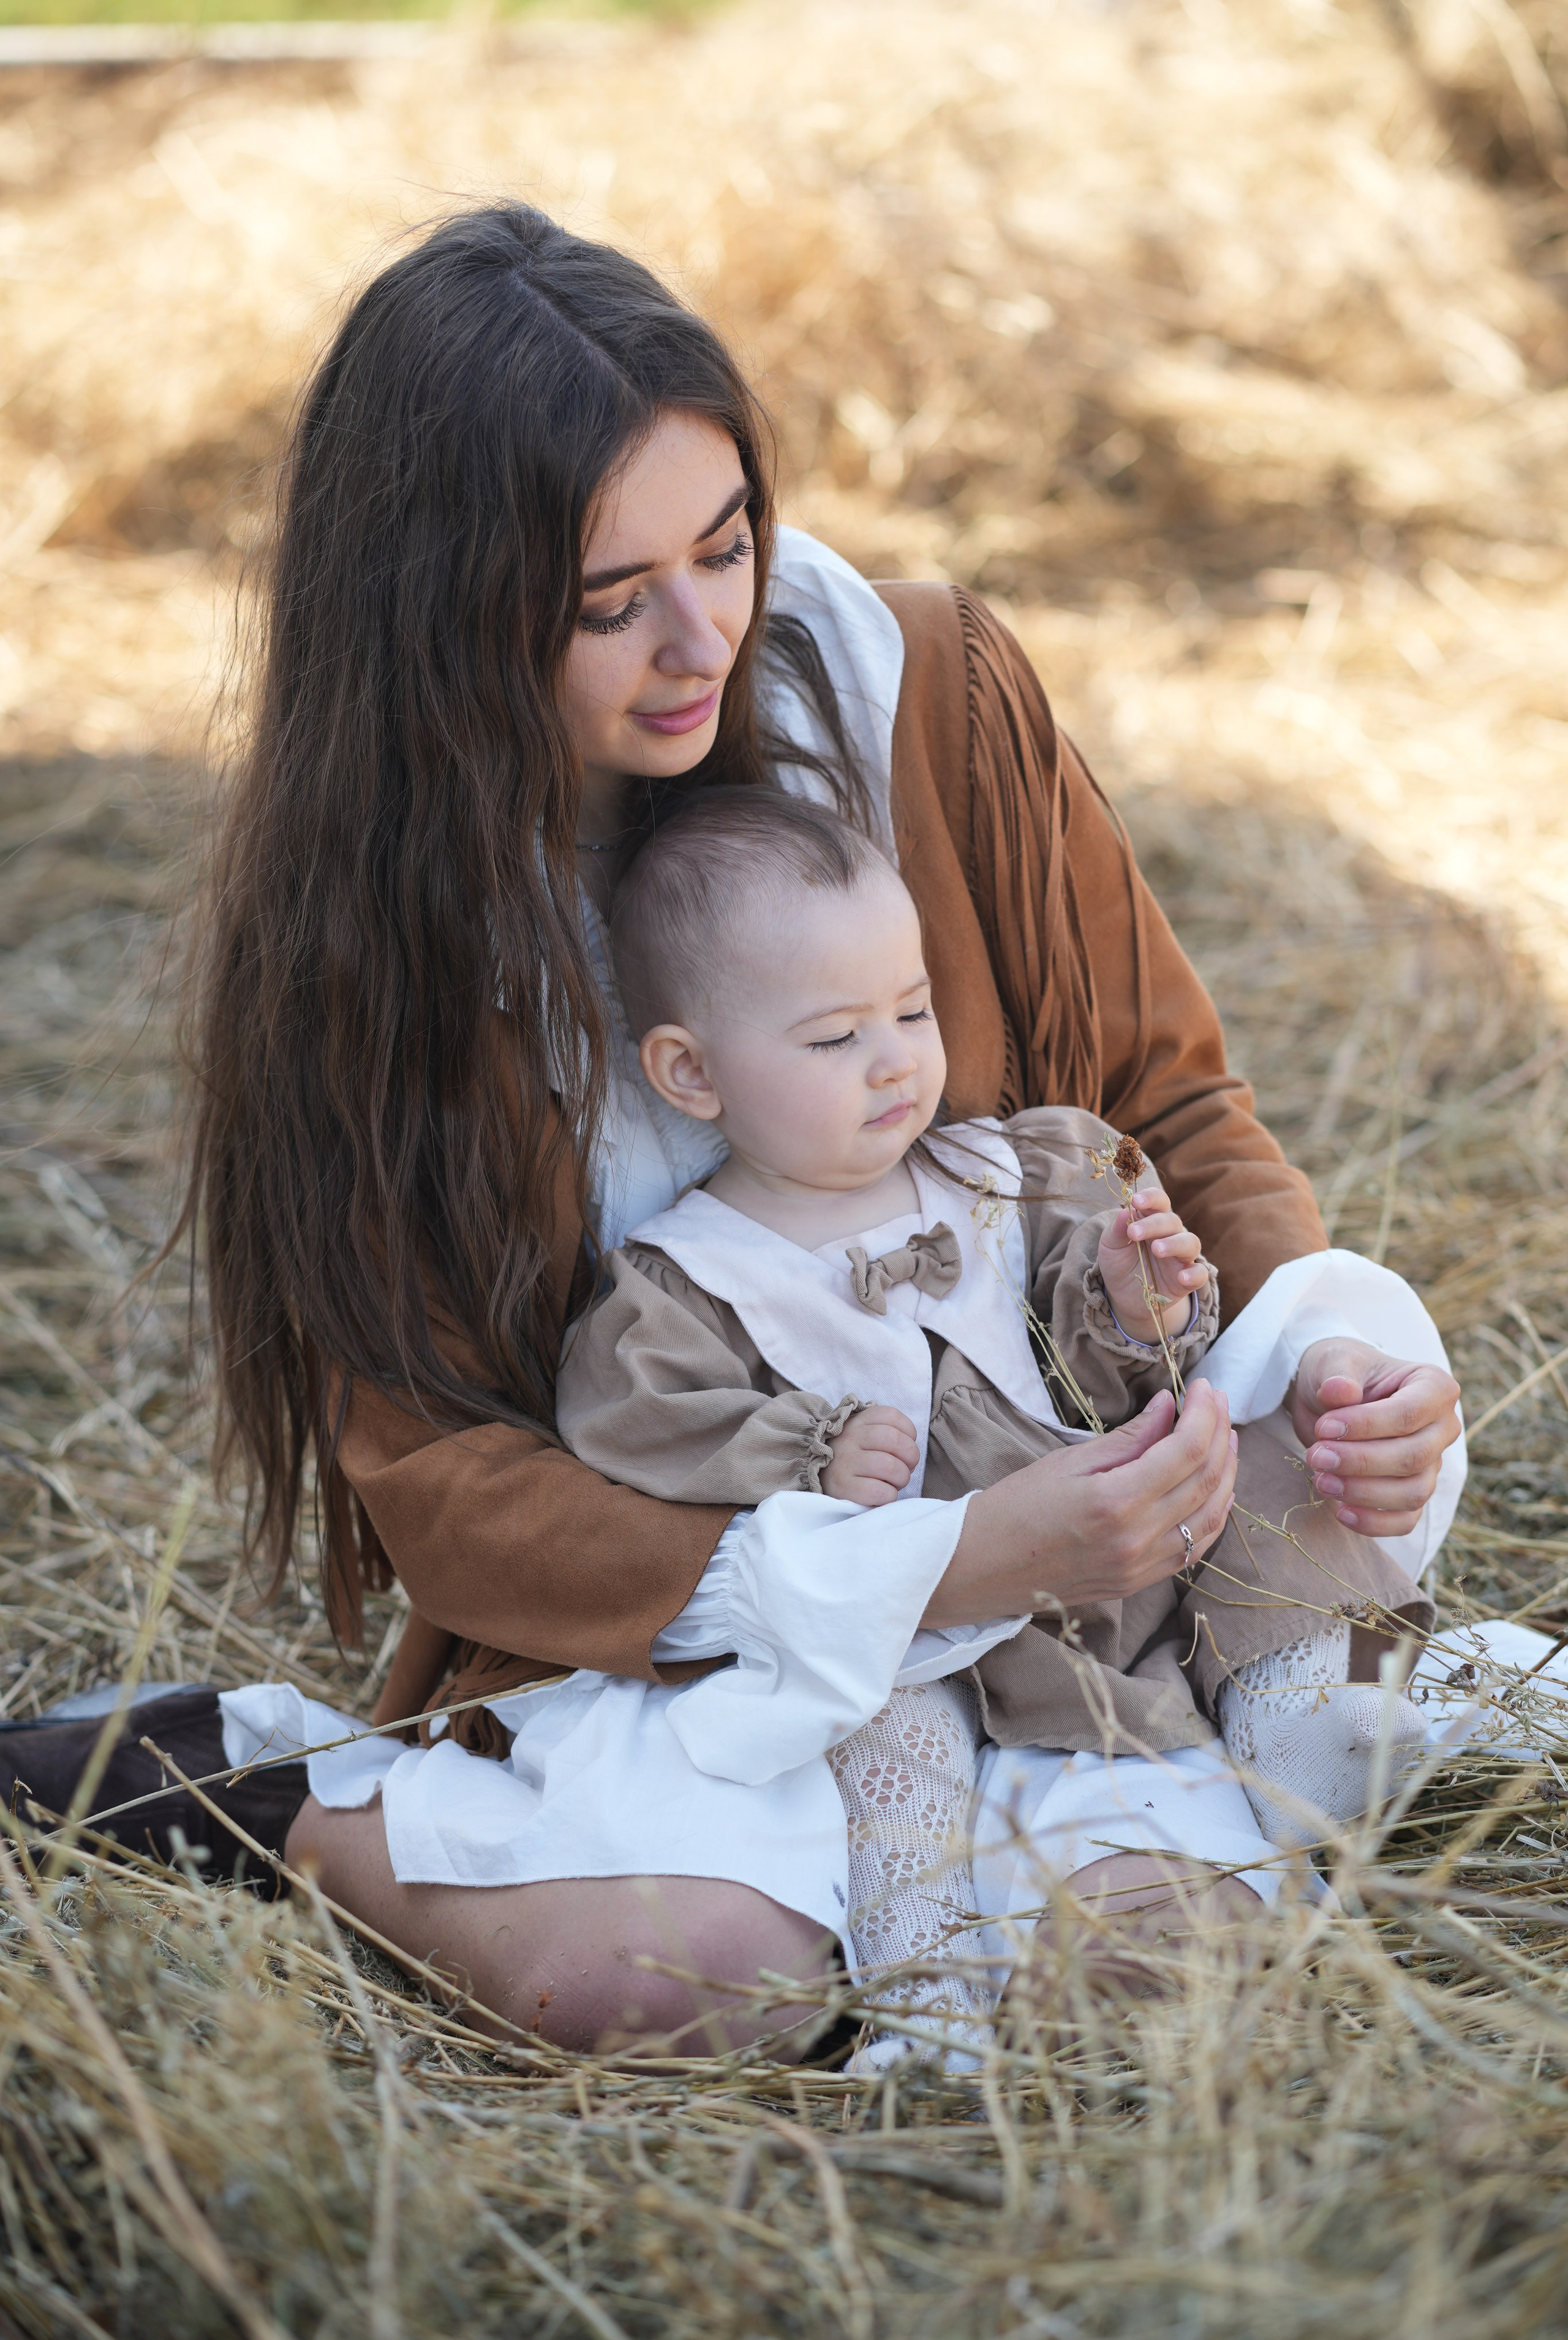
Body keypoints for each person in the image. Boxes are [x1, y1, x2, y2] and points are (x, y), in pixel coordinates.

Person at [0, 203, 1463, 2056]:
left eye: (727, 547)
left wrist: (1325, 1357)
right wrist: (937, 1561)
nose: (700, 640)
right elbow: (451, 1489)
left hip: (1090, 1570)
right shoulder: (378, 938)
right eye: (610, 604)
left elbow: (1169, 1103)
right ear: (445, 619)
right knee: (672, 1983)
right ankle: (293, 1795)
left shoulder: (924, 689)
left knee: (1199, 1950)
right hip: (713, 1618)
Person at [546, 784, 1434, 2058]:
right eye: (831, 1037)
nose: (897, 1057)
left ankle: (1340, 1728)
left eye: (910, 1009)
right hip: (944, 1634)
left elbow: (1106, 1373)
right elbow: (631, 1426)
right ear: (689, 1073)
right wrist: (803, 1452)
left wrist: (1134, 1307)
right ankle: (923, 1979)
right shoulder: (688, 1279)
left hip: (1133, 1551)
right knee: (884, 1723)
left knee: (1259, 1463)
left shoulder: (1008, 1170)